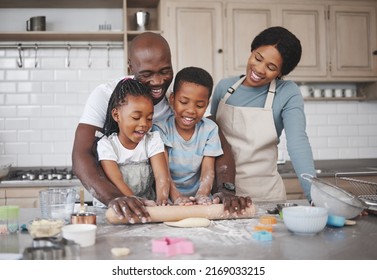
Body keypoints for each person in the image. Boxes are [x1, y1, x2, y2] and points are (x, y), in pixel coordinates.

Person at [72, 32, 250, 223]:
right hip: (118, 206)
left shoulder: (181, 97)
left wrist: (226, 190)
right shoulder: (107, 95)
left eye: (165, 71)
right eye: (147, 74)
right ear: (131, 67)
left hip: (157, 207)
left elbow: (220, 147)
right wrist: (115, 198)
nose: (157, 82)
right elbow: (81, 154)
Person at [210, 26, 316, 202]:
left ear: (281, 72)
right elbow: (210, 139)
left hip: (266, 196)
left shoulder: (287, 93)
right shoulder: (224, 88)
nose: (259, 69)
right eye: (258, 58)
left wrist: (314, 196)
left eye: (271, 67)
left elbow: (298, 143)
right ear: (252, 50)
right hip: (224, 195)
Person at [152, 67, 223, 205]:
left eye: (200, 105)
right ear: (172, 99)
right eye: (184, 102)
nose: (191, 110)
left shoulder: (210, 129)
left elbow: (208, 171)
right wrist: (176, 197)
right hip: (168, 199)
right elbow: (163, 171)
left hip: (198, 200)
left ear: (207, 104)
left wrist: (202, 195)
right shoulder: (161, 129)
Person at [97, 79, 170, 212]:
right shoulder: (107, 146)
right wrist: (137, 202)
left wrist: (162, 201)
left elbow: (161, 177)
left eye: (149, 118)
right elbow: (117, 181)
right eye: (136, 117)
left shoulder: (152, 140)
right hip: (119, 207)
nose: (144, 124)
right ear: (116, 115)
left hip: (149, 206)